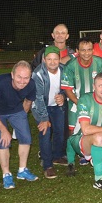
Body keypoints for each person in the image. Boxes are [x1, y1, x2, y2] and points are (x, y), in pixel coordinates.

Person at [0, 61, 38, 189]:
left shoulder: (31, 85)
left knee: (26, 137)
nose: (22, 81)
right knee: (4, 141)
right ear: (12, 75)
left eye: (26, 78)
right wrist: (4, 130)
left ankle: (22, 170)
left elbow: (27, 103)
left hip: (15, 109)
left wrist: (19, 123)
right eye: (19, 77)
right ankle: (6, 174)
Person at [31, 46, 67, 179]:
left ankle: (57, 156)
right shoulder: (38, 74)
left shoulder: (64, 70)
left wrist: (63, 95)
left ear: (60, 59)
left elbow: (67, 87)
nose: (52, 62)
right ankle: (47, 165)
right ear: (44, 60)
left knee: (60, 131)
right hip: (41, 107)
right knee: (45, 132)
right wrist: (44, 118)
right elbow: (38, 98)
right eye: (49, 59)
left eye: (55, 59)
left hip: (56, 106)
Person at [61, 38, 102, 136]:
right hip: (76, 102)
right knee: (72, 130)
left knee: (96, 129)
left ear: (93, 50)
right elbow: (68, 90)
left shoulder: (100, 63)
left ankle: (93, 150)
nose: (87, 53)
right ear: (77, 51)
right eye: (83, 50)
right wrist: (81, 103)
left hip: (96, 102)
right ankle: (71, 150)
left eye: (89, 49)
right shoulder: (70, 66)